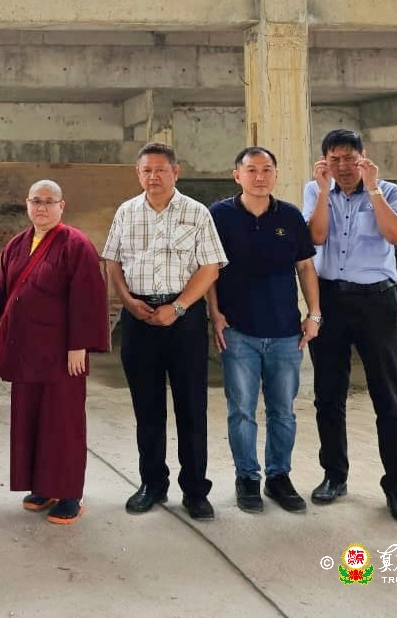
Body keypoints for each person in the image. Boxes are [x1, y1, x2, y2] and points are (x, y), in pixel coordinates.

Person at [102, 141, 226, 521]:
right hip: (139, 318)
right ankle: (152, 484)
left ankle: (195, 490)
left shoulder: (196, 213)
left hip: (184, 318)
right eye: (146, 170)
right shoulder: (126, 212)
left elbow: (210, 267)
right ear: (137, 174)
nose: (153, 176)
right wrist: (127, 300)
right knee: (147, 408)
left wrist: (180, 306)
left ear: (176, 172)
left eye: (160, 169)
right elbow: (112, 262)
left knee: (192, 408)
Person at [302, 128, 397, 524]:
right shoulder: (315, 191)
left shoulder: (389, 191)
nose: (343, 166)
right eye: (334, 159)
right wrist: (322, 192)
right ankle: (334, 476)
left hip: (376, 302)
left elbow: (396, 235)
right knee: (328, 395)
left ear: (363, 158)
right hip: (330, 300)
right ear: (324, 162)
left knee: (389, 397)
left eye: (350, 158)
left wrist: (373, 190)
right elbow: (316, 236)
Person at [207, 147, 321, 515]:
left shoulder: (289, 216)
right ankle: (246, 478)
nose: (260, 177)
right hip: (238, 331)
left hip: (286, 332)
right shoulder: (219, 215)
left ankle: (278, 477)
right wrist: (215, 314)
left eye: (267, 169)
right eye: (251, 170)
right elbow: (208, 268)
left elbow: (306, 268)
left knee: (283, 411)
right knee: (241, 411)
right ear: (236, 175)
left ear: (275, 174)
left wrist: (314, 314)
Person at [0, 180, 108, 525]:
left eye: (48, 202)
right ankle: (42, 486)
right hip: (25, 349)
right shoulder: (16, 245)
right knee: (30, 419)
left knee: (62, 423)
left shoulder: (76, 245)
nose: (41, 208)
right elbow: (2, 293)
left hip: (61, 353)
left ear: (61, 206)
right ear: (27, 205)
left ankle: (69, 493)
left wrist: (79, 345)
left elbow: (88, 296)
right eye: (36, 201)